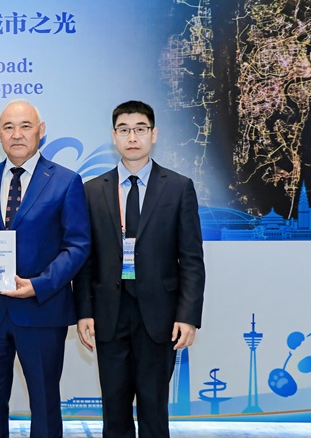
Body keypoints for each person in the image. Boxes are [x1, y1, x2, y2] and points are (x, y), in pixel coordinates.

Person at [0, 99, 91, 438]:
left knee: (44, 404)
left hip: (41, 310)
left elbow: (77, 245)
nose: (17, 134)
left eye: (25, 126)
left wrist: (39, 285)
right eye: (9, 127)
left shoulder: (66, 181)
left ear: (41, 131)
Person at [74, 100, 206, 438]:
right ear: (113, 137)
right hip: (109, 313)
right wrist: (83, 311)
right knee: (114, 409)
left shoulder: (178, 187)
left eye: (140, 129)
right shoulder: (91, 190)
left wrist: (188, 316)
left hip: (159, 315)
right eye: (124, 130)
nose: (132, 137)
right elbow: (84, 258)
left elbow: (191, 258)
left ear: (153, 134)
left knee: (153, 408)